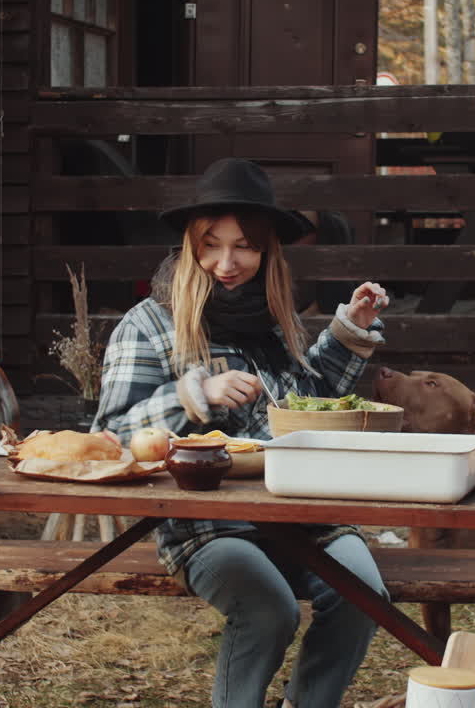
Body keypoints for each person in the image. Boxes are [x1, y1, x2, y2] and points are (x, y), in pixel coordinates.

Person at [91, 157, 391, 708]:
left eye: (244, 246)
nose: (226, 263)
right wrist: (192, 397)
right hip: (208, 524)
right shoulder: (148, 324)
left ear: (267, 251)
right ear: (190, 246)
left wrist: (349, 332)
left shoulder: (276, 320)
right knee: (268, 609)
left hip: (303, 513)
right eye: (210, 244)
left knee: (363, 595)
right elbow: (109, 435)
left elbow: (305, 408)